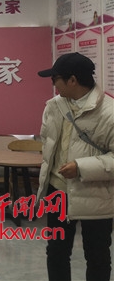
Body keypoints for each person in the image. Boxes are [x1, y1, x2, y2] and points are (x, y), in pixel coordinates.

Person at [36, 52, 114, 281]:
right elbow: (47, 142)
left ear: (72, 80)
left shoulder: (109, 113)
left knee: (97, 256)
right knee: (56, 252)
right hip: (57, 191)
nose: (53, 84)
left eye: (55, 79)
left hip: (95, 195)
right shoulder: (54, 106)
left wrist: (81, 167)